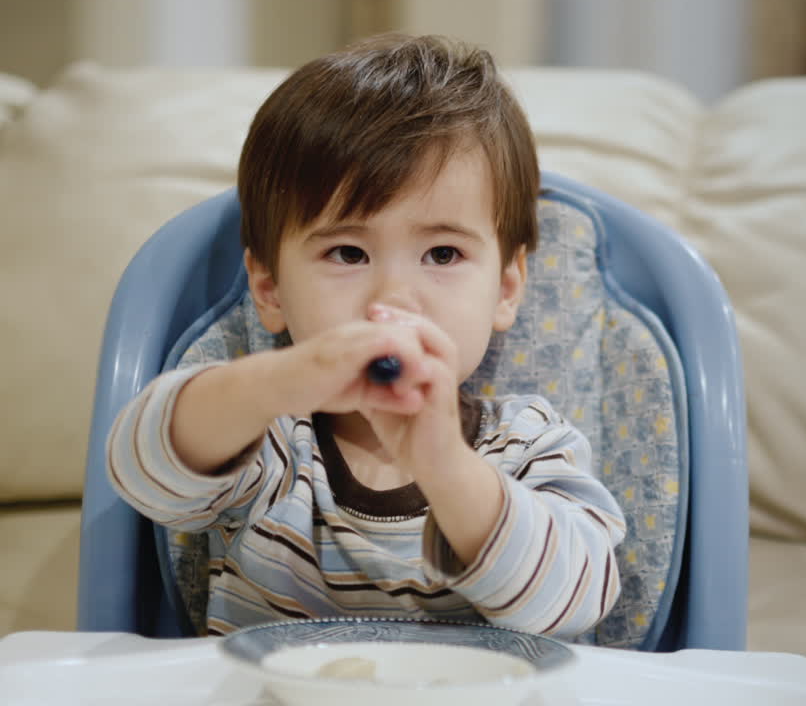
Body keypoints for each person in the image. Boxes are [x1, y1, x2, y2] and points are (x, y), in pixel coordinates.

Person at [107, 33, 626, 639]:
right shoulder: (269, 443)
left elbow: (576, 602)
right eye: (348, 253)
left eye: (442, 253)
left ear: (506, 289)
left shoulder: (529, 447)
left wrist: (445, 465)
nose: (393, 299)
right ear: (270, 289)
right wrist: (278, 381)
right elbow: (143, 476)